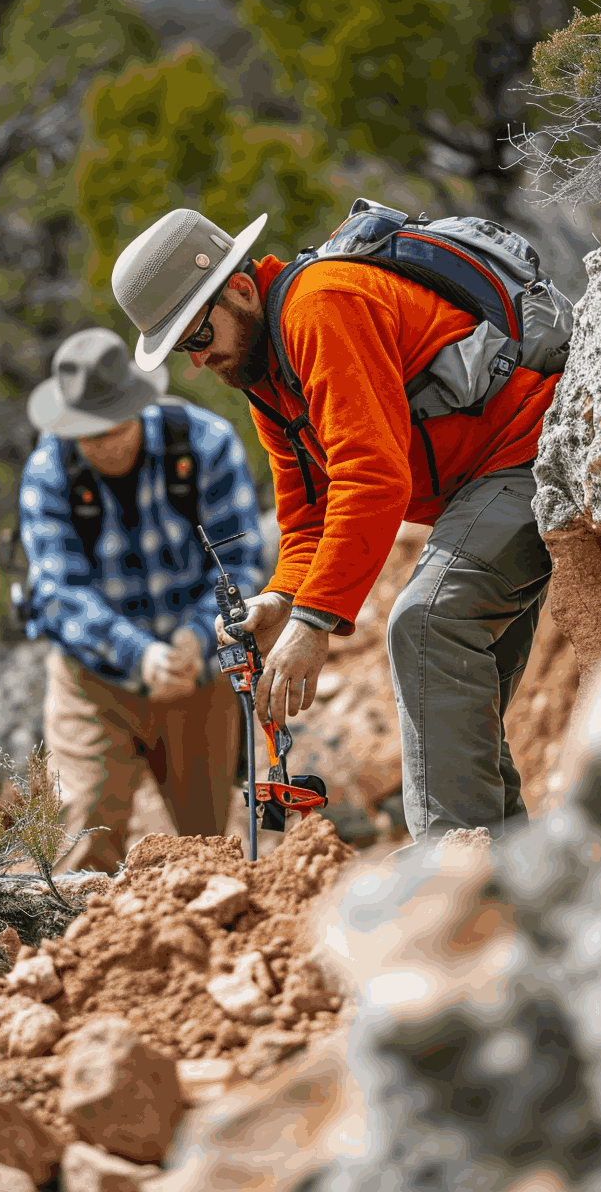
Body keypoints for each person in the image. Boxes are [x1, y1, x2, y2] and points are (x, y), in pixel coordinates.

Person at [109, 207, 559, 841]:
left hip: (529, 447)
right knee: (457, 705)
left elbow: (372, 477)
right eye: (184, 346)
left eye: (197, 336)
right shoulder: (266, 373)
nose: (196, 360)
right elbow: (305, 512)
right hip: (477, 489)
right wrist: (282, 596)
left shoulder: (322, 307)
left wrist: (316, 620)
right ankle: (508, 876)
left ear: (239, 289)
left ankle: (453, 872)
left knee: (427, 625)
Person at [19, 326, 264, 871]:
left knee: (204, 845)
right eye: (87, 432)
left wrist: (197, 639)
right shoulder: (48, 473)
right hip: (95, 677)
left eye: (112, 426)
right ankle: (76, 945)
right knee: (85, 826)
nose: (103, 442)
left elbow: (242, 565)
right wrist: (140, 655)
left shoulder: (205, 444)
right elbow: (60, 596)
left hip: (196, 670)